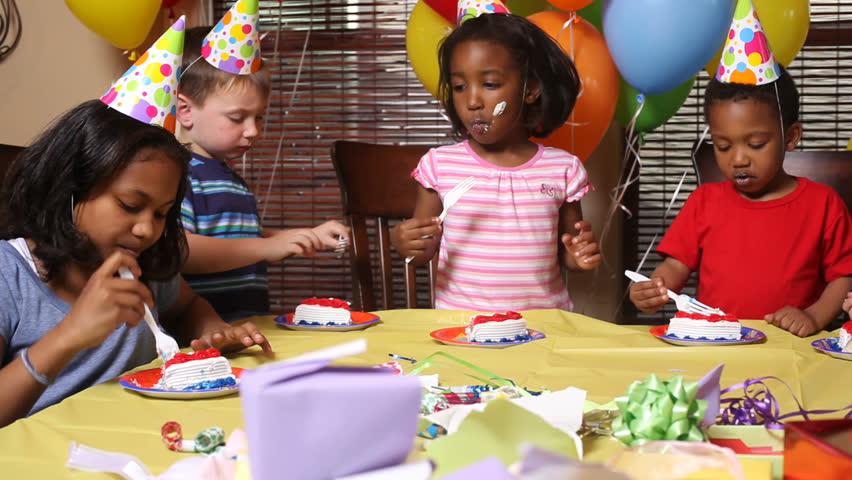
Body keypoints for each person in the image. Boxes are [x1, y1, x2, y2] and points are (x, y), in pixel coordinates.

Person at [0, 100, 272, 426]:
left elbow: (186, 307)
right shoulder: (9, 274)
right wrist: (68, 335)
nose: (146, 230)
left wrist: (213, 331)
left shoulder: (145, 268)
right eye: (130, 205)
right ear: (69, 190)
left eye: (161, 213)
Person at [390, 13, 601, 311]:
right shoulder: (440, 165)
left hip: (542, 328)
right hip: (461, 327)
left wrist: (579, 257)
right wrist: (406, 243)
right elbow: (422, 250)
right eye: (460, 86)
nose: (472, 100)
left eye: (489, 84)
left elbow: (569, 251)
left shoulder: (563, 169)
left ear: (530, 90)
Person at [629, 68, 852, 336]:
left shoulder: (823, 203)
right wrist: (655, 288)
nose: (738, 160)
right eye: (723, 146)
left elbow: (843, 278)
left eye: (756, 144)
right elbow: (676, 265)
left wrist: (812, 317)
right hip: (715, 341)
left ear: (791, 137)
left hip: (791, 345)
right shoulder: (705, 200)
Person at [177, 25, 349, 320]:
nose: (253, 131)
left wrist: (299, 237)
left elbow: (233, 235)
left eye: (259, 117)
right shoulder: (178, 174)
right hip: (200, 335)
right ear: (185, 110)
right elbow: (183, 250)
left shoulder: (228, 177)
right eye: (237, 117)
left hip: (245, 326)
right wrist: (268, 246)